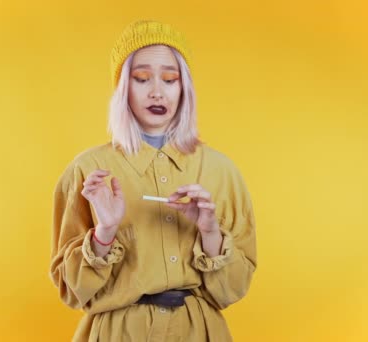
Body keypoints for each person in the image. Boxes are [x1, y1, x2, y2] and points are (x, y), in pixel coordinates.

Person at [49, 20, 257, 341]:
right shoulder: (87, 172)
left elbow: (233, 289)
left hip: (198, 332)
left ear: (184, 87)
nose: (157, 91)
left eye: (170, 79)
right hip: (118, 333)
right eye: (142, 78)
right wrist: (103, 234)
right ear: (123, 88)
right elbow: (71, 291)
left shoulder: (221, 171)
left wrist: (210, 232)